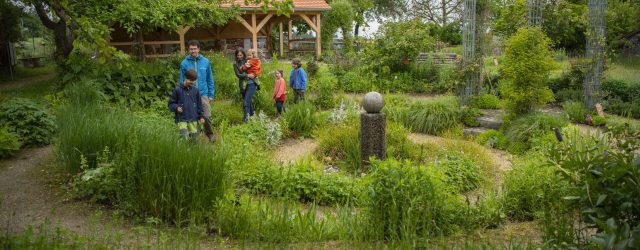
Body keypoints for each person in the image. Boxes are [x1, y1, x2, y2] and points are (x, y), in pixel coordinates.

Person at [179, 40, 215, 143]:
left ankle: (210, 134)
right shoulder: (184, 63)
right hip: (189, 94)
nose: (193, 51)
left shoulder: (205, 61)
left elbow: (210, 79)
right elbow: (181, 80)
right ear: (188, 50)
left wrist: (211, 94)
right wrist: (182, 95)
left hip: (203, 94)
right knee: (193, 118)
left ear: (198, 49)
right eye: (191, 49)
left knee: (207, 116)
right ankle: (195, 138)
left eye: (195, 48)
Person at [168, 69, 205, 141]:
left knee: (195, 139)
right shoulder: (177, 90)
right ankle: (184, 151)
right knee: (184, 137)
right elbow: (171, 104)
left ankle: (193, 151)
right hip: (182, 118)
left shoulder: (196, 91)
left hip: (193, 118)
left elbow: (199, 105)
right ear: (185, 77)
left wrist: (201, 116)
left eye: (194, 80)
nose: (192, 82)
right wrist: (176, 107)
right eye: (190, 80)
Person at [240, 49, 262, 123]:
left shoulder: (250, 61)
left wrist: (241, 68)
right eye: (248, 55)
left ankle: (246, 119)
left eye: (250, 55)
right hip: (251, 82)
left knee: (246, 101)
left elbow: (245, 67)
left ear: (253, 55)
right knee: (248, 100)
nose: (248, 56)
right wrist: (256, 74)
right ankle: (252, 116)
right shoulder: (258, 61)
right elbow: (259, 70)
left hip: (251, 83)